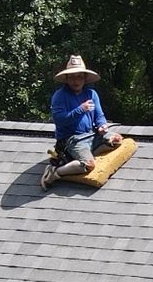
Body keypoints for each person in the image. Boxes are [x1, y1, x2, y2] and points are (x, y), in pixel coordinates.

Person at [42, 54, 123, 187]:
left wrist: (102, 125)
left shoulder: (92, 94)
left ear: (85, 78)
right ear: (67, 78)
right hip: (72, 139)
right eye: (72, 77)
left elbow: (99, 116)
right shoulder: (59, 96)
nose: (76, 81)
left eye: (79, 76)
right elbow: (59, 120)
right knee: (89, 165)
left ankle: (80, 155)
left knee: (117, 139)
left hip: (91, 134)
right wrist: (80, 110)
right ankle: (55, 172)